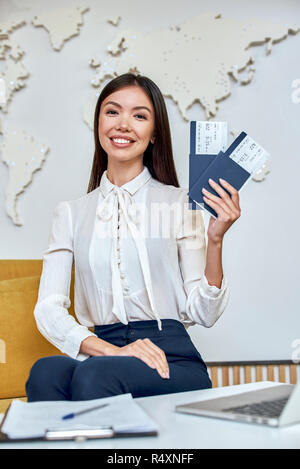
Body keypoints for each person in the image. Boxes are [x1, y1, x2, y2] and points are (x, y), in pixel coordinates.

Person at [26, 73, 241, 402]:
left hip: (171, 357)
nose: (123, 124)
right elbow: (48, 311)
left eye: (139, 115)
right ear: (98, 122)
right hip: (103, 350)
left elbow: (204, 314)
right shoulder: (70, 213)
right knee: (46, 372)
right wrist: (113, 351)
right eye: (113, 112)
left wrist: (215, 240)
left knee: (96, 376)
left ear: (154, 134)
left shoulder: (178, 205)